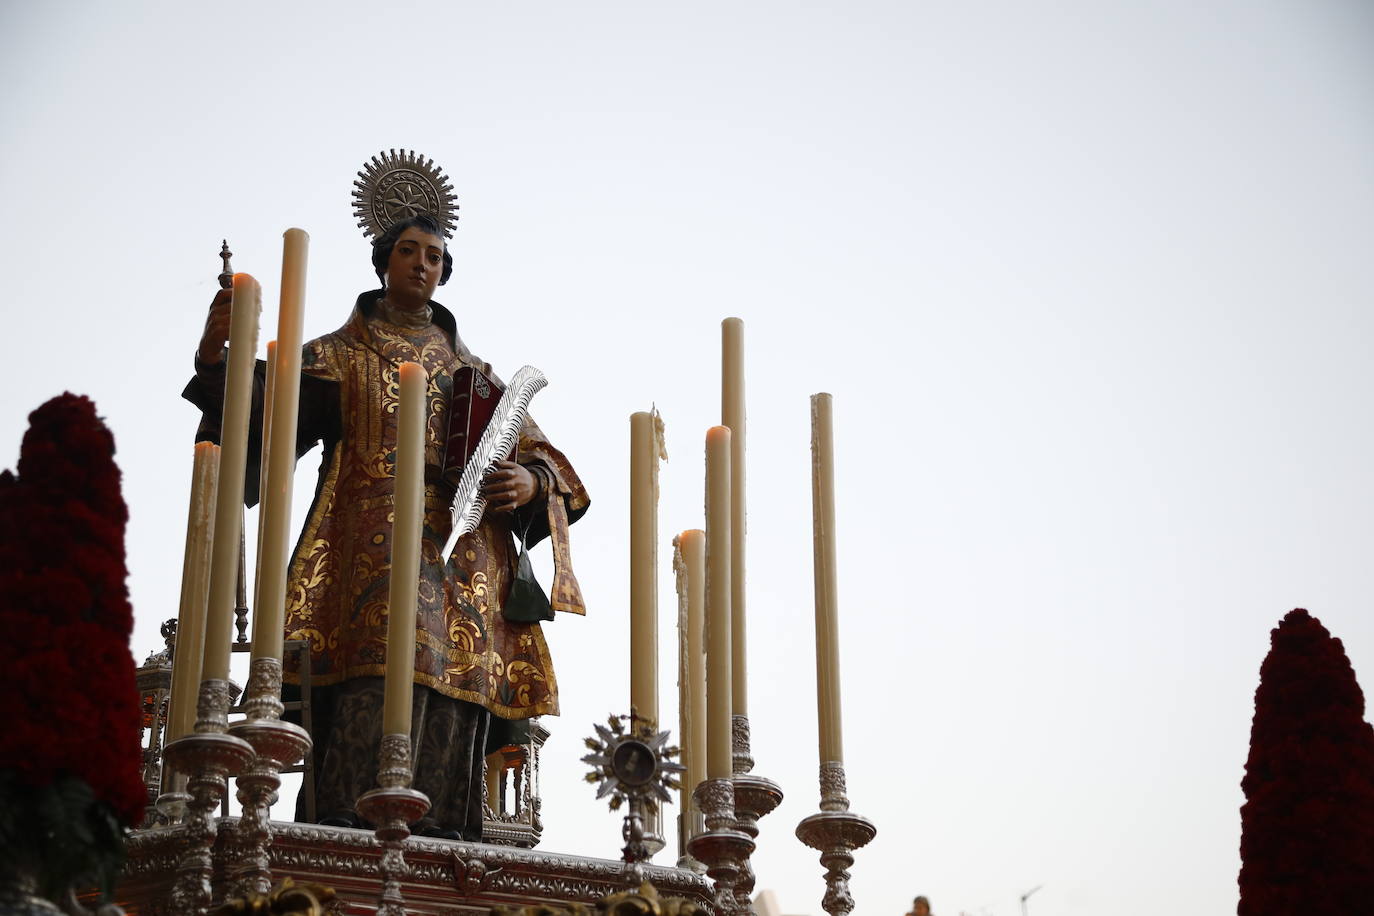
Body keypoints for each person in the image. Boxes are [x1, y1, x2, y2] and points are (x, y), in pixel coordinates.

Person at [184, 211, 589, 839]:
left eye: (433, 255)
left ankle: (448, 827)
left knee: (453, 686)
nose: (422, 265)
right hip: (366, 554)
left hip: (466, 559)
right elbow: (260, 408)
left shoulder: (475, 373)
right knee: (368, 676)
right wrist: (217, 358)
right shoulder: (340, 355)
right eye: (409, 251)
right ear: (384, 261)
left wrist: (530, 482)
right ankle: (344, 820)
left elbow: (544, 457)